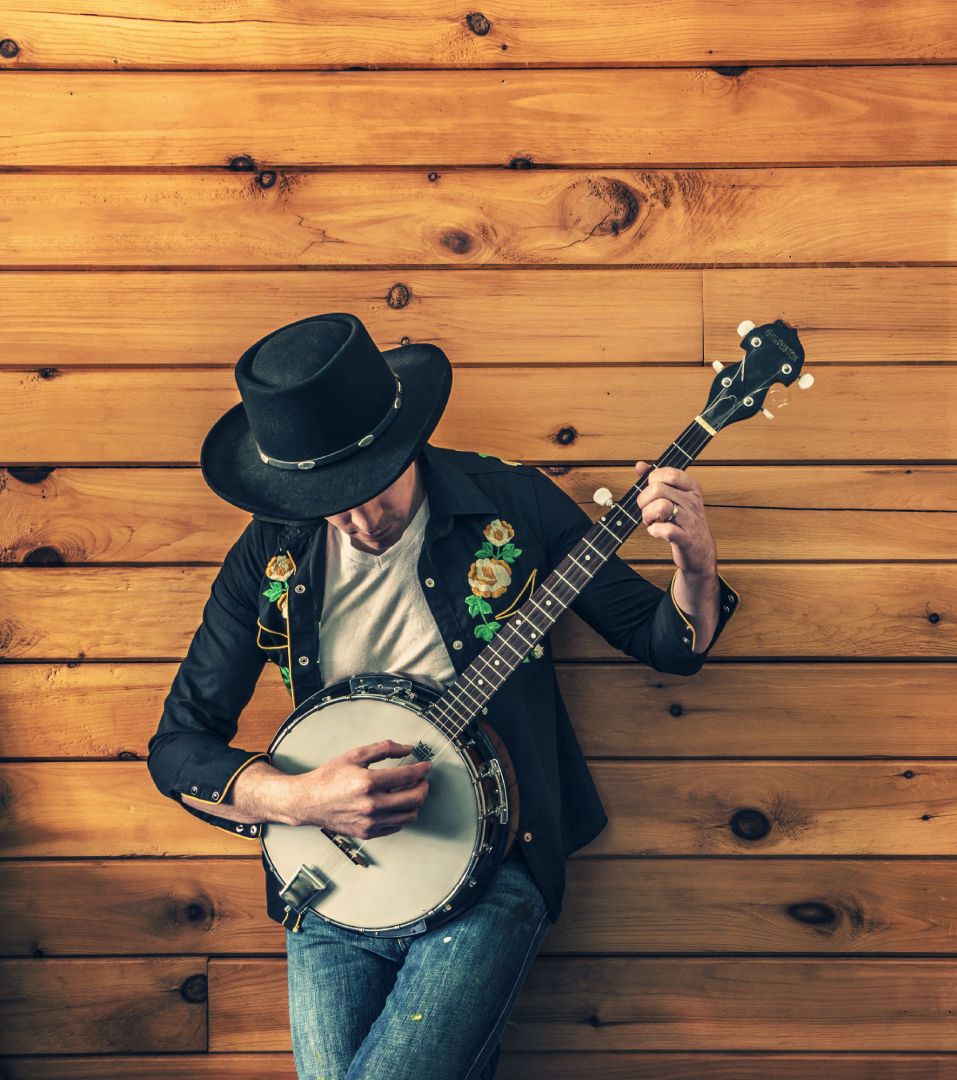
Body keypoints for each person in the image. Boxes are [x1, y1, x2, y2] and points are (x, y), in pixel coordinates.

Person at [147, 312, 740, 1079]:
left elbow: (666, 645)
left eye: (367, 488)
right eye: (328, 500)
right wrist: (300, 801)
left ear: (405, 442)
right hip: (331, 890)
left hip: (495, 869)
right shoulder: (270, 550)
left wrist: (694, 561)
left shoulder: (513, 504)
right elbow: (178, 746)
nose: (357, 520)